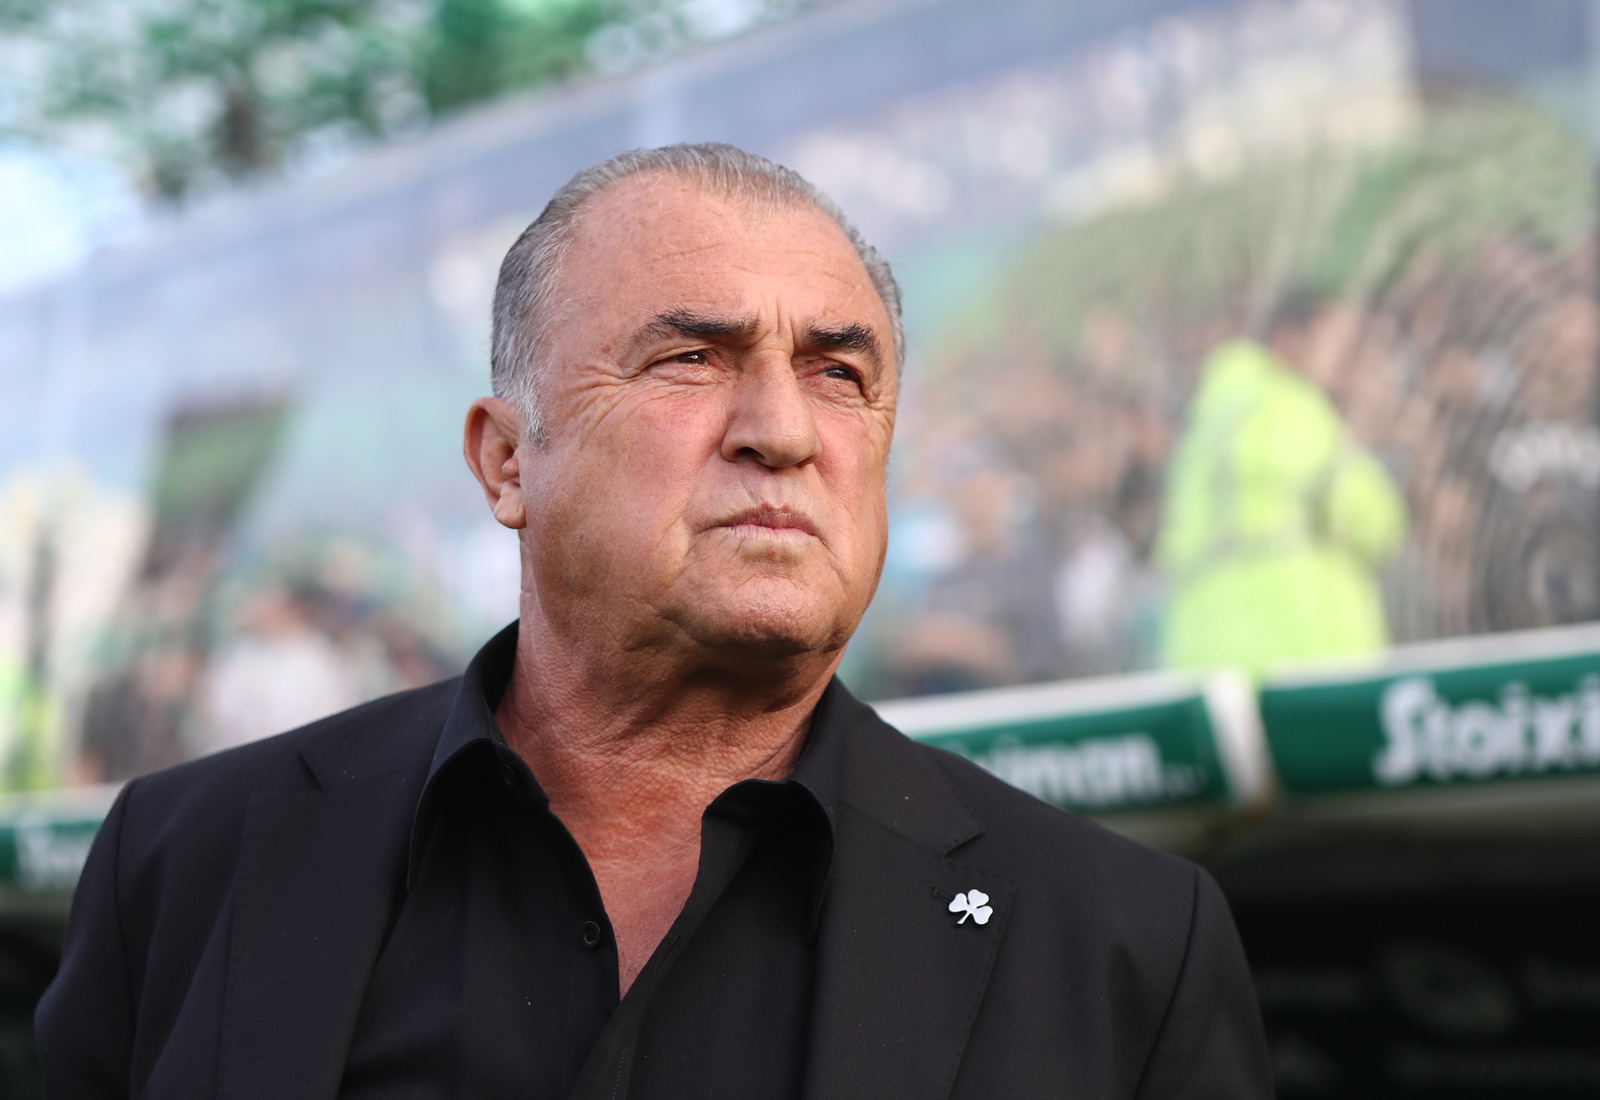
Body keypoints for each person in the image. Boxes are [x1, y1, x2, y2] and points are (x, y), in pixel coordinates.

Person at [37, 143, 1271, 1098]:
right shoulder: (187, 865)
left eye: (840, 374)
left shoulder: (1122, 946)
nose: (783, 430)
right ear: (507, 460)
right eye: (691, 359)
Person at [1156, 293, 1408, 675]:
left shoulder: (1208, 421)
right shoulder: (1291, 406)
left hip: (1200, 658)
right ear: (1289, 340)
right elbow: (1376, 522)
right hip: (1297, 652)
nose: (1348, 365)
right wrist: (1367, 434)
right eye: (1339, 345)